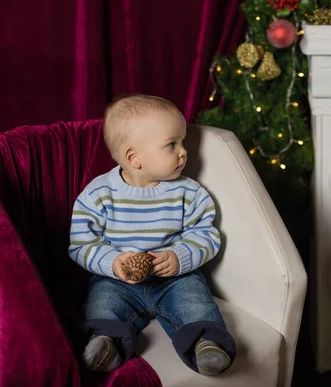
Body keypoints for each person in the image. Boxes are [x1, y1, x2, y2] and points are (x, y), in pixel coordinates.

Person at [68, 94, 235, 376]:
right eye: (172, 144)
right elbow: (81, 243)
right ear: (134, 157)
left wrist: (179, 256)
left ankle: (206, 344)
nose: (183, 152)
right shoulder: (98, 194)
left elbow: (205, 234)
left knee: (194, 300)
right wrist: (113, 263)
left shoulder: (189, 192)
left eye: (182, 142)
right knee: (102, 303)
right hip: (118, 281)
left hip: (175, 279)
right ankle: (105, 343)